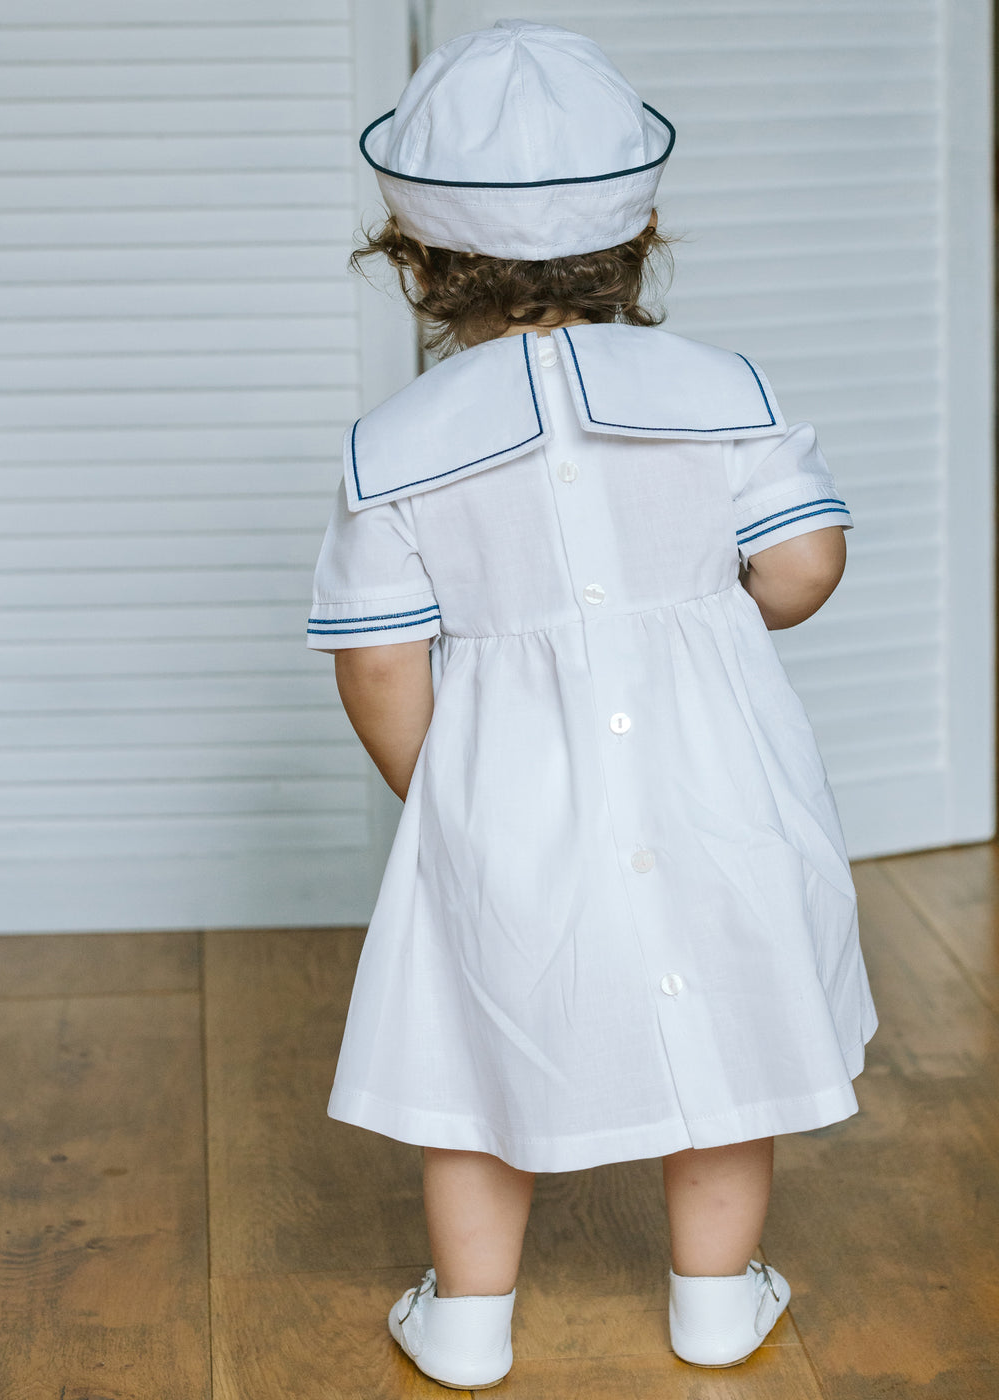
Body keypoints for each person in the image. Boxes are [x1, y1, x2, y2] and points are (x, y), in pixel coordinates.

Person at [306, 20, 877, 1390]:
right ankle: (716, 1299)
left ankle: (467, 1319)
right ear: (643, 229)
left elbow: (379, 665)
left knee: (475, 1043)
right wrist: (738, 605)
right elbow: (801, 567)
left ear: (418, 257)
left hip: (506, 785)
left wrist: (447, 792)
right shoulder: (716, 391)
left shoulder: (394, 448)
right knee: (729, 1018)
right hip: (716, 773)